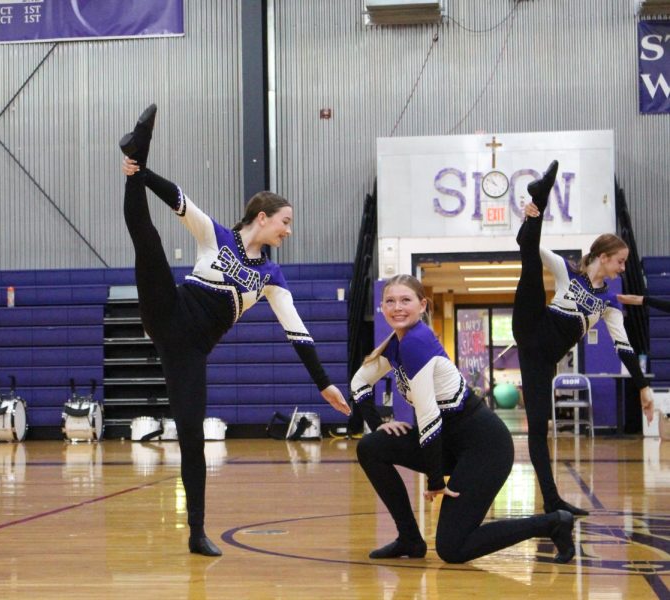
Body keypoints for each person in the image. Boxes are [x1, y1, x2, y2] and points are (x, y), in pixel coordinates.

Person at [118, 104, 350, 556]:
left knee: (191, 436)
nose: (288, 231)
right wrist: (141, 173)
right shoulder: (217, 236)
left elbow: (297, 332)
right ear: (262, 216)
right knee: (147, 241)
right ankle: (135, 155)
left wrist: (322, 383)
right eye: (285, 221)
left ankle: (197, 532)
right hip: (169, 310)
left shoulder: (272, 277)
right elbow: (180, 201)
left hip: (190, 350)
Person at [350, 275, 574, 564]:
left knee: (452, 549)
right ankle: (409, 538)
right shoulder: (396, 342)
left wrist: (434, 482)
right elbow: (360, 382)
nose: (397, 307)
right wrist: (379, 423)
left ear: (422, 305)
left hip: (485, 449)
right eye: (390, 301)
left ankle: (552, 522)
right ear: (382, 307)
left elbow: (430, 419)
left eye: (406, 300)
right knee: (371, 447)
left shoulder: (415, 343)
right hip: (449, 444)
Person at [513, 161, 654, 517]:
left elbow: (623, 347)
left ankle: (552, 500)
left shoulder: (609, 304)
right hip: (532, 325)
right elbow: (528, 247)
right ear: (603, 258)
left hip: (541, 359)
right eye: (620, 262)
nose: (623, 268)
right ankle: (540, 199)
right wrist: (529, 215)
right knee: (530, 263)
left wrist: (641, 386)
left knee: (539, 425)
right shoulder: (566, 272)